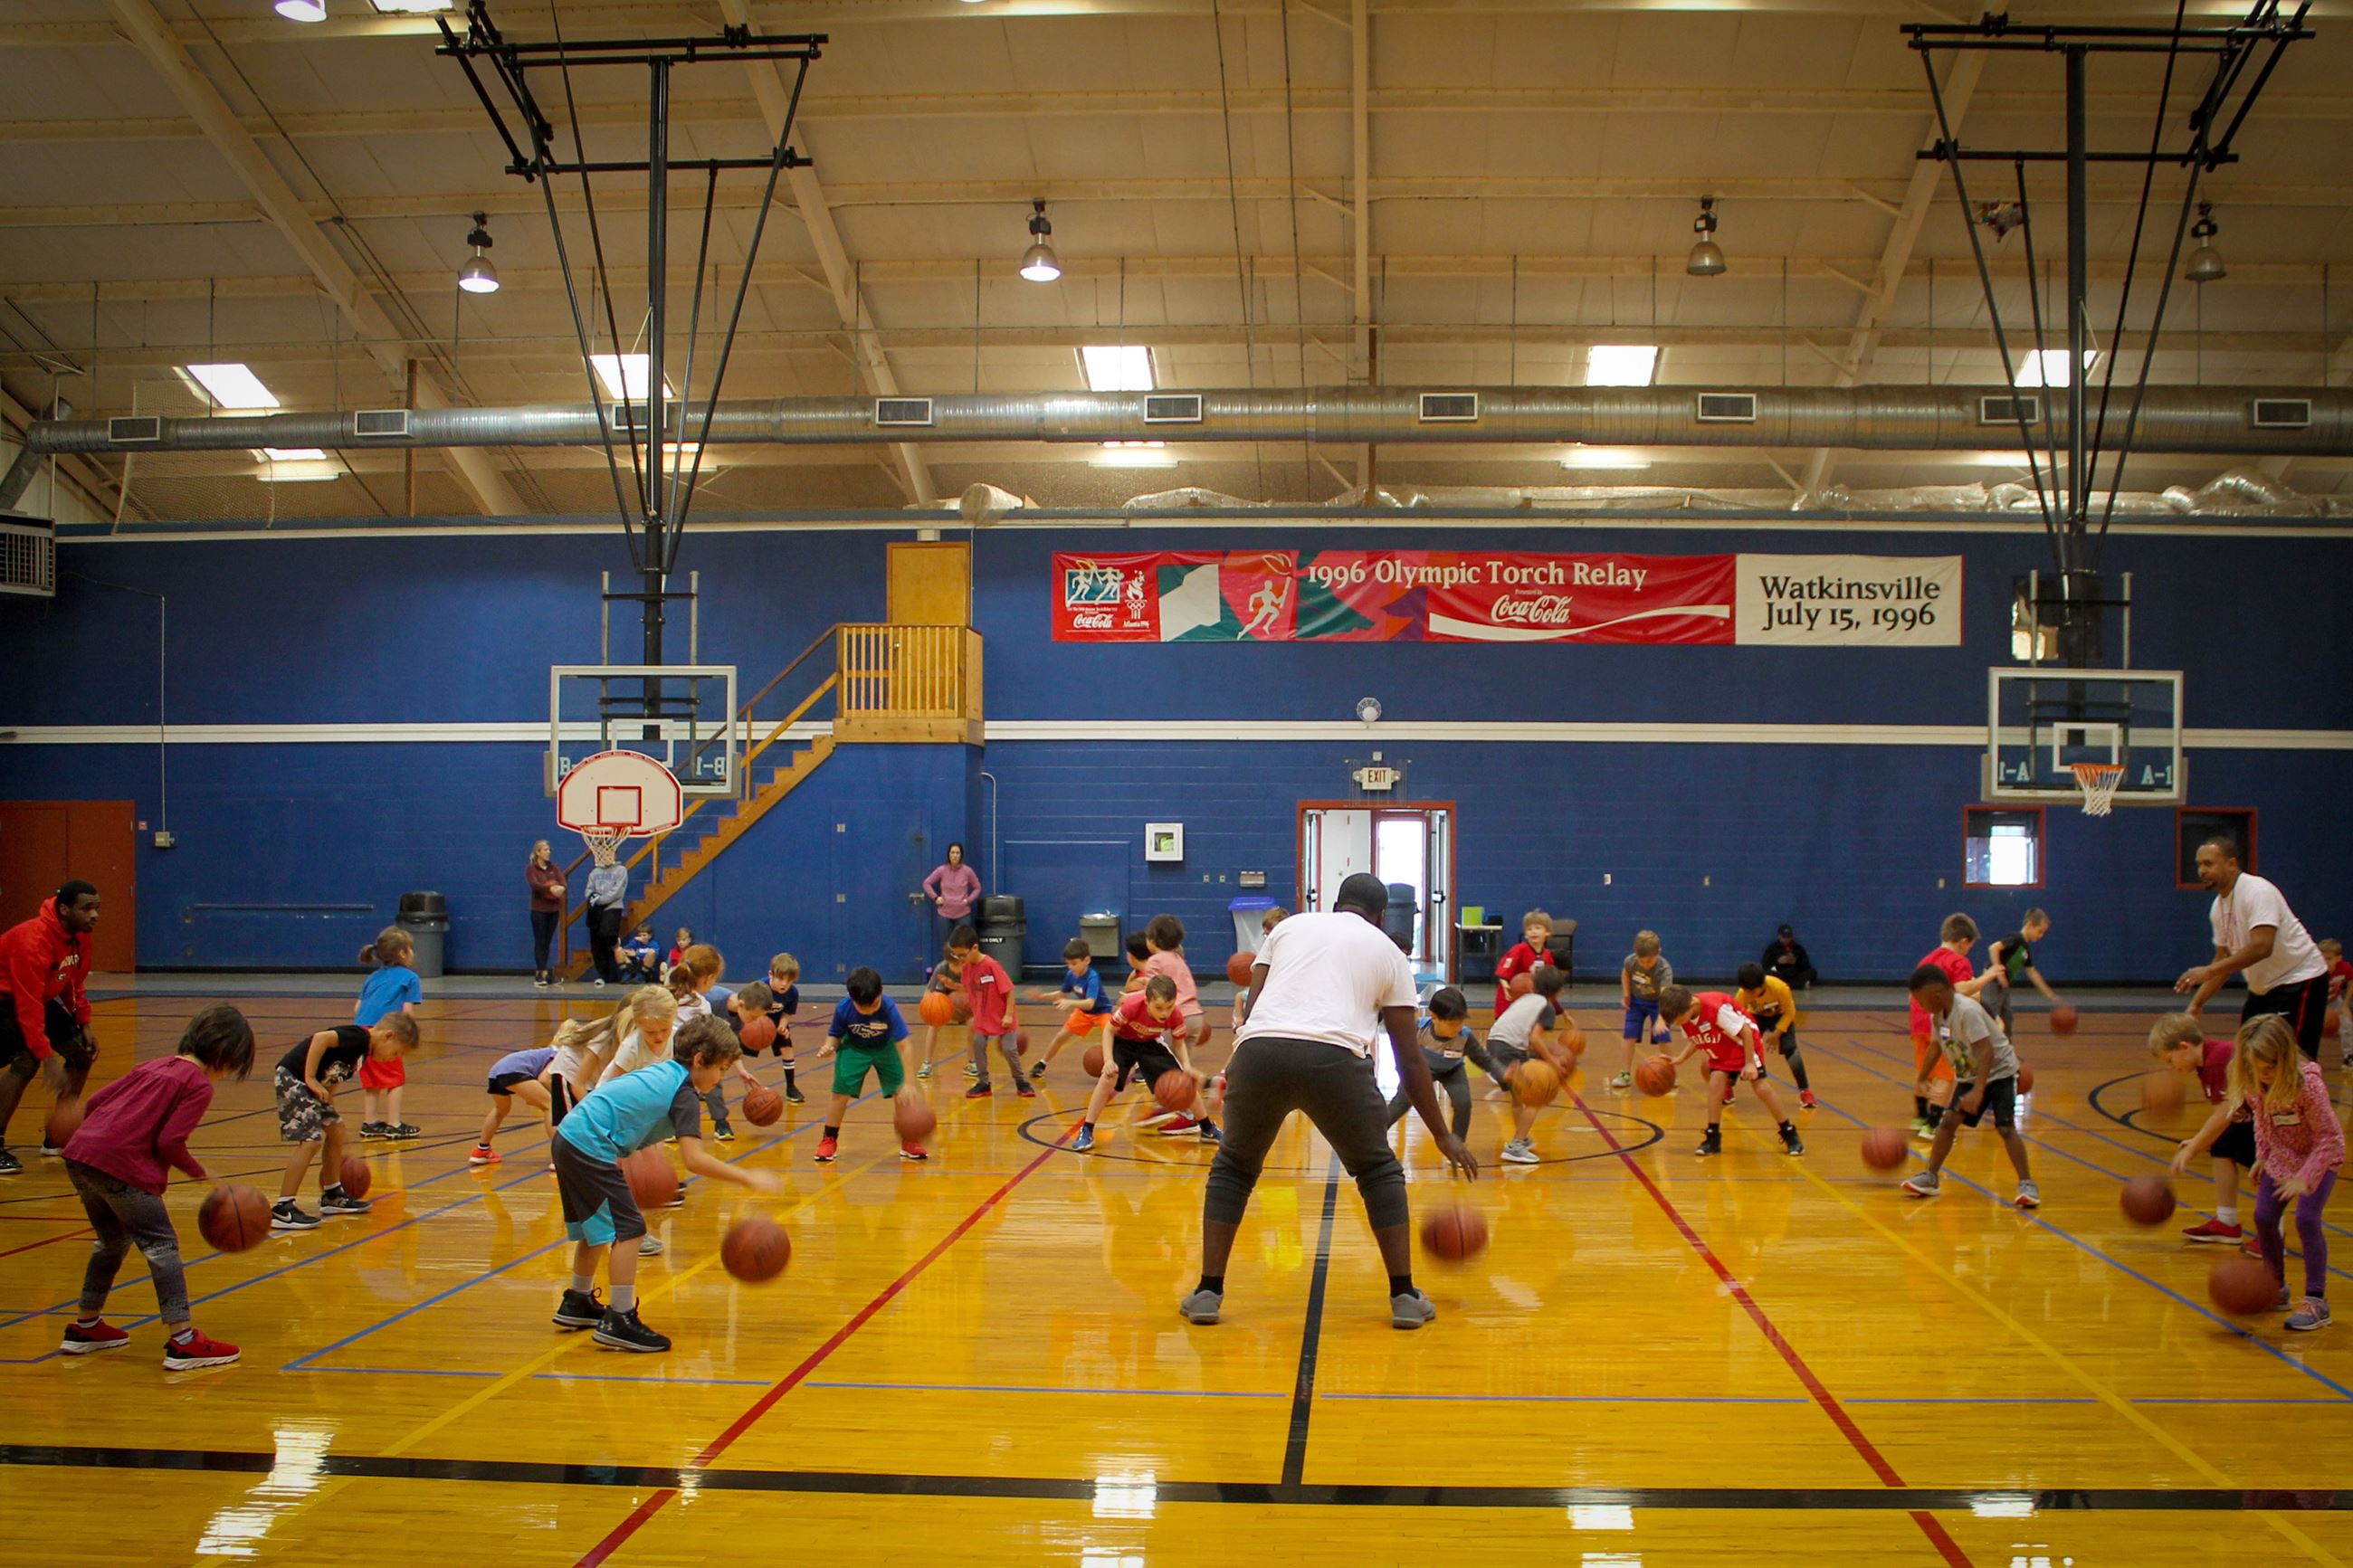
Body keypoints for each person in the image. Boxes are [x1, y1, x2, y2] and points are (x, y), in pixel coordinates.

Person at [1182, 871, 1478, 1331]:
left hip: (1259, 1051)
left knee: (1235, 1169)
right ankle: (1403, 1295)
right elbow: (1410, 1060)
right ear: (1381, 916)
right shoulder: (1387, 952)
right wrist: (1443, 1135)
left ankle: (1207, 1291)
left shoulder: (1288, 926)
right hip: (1335, 1058)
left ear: (1337, 903)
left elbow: (1255, 1007)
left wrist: (1240, 1064)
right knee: (1378, 1171)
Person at [550, 1015, 781, 1354]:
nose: (720, 1079)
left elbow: (626, 1115)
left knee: (592, 1229)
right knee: (629, 1230)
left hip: (570, 1138)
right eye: (720, 1069)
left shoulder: (664, 1073)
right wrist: (748, 1178)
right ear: (700, 1060)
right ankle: (620, 1318)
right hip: (589, 1145)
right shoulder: (683, 1092)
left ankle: (578, 1302)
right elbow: (695, 1160)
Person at [56, 1003, 254, 1370]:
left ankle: (85, 1326)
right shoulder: (196, 1083)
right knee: (162, 1245)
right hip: (119, 1166)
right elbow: (169, 1141)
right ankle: (182, 1340)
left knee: (111, 1241)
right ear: (227, 1055)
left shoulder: (153, 1065)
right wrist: (200, 1173)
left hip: (81, 1157)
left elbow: (97, 1101)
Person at [2176, 1015, 2342, 1331]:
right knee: (2264, 1216)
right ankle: (2276, 1286)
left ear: (2286, 1058)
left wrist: (2303, 1178)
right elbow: (2263, 1124)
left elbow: (2330, 1138)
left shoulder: (2309, 1086)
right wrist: (2263, 1157)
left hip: (2318, 1157)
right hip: (2283, 1156)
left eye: (2269, 1068)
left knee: (2306, 1219)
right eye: (2255, 1068)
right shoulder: (2253, 1082)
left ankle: (2317, 1300)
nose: (2263, 1075)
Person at [2177, 835, 2330, 1060]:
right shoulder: (2217, 909)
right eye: (2199, 864)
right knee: (2249, 1056)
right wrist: (2196, 1004)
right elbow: (2223, 961)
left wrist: (2208, 971)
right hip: (2263, 989)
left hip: (2299, 979)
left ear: (2231, 864)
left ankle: (2307, 1096)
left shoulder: (2257, 891)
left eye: (2208, 863)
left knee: (2294, 1061)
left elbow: (2262, 947)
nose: (2201, 870)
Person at [1897, 965, 2035, 1208]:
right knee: (1948, 1122)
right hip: (1970, 1076)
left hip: (1999, 1073)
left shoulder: (1967, 1011)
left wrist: (1979, 1091)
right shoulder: (1939, 1015)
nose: (1919, 1005)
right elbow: (1936, 1046)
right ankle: (1931, 1177)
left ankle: (2027, 1184)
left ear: (1937, 995)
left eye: (1920, 1000)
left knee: (2005, 1128)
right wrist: (1922, 1076)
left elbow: (1986, 1051)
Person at [271, 1012, 418, 1232]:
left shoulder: (362, 1054)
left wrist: (328, 1099)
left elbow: (334, 1072)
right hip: (294, 1077)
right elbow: (321, 1039)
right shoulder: (358, 1037)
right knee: (311, 1141)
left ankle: (332, 1195)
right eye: (396, 1053)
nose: (393, 1059)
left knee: (337, 1130)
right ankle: (283, 1208)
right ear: (388, 1036)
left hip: (312, 1085)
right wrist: (310, 1077)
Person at [0, 879, 101, 1175]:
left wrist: (83, 1022)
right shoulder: (33, 940)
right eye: (87, 909)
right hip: (6, 999)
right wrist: (47, 1058)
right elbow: (28, 1004)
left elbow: (74, 980)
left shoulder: (80, 934)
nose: (94, 915)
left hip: (34, 998)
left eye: (97, 908)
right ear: (64, 909)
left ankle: (58, 1136)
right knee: (27, 1058)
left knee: (83, 1053)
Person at [1072, 975, 1222, 1153]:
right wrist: (1109, 1061)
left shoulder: (1175, 1015)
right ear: (1146, 1001)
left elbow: (1179, 1043)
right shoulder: (1132, 1006)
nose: (1164, 1013)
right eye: (1158, 1007)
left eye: (1169, 1006)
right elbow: (1109, 1031)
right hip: (1123, 1041)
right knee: (1108, 1078)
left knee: (1184, 1081)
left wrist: (1187, 1066)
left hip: (1150, 1044)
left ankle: (1207, 1128)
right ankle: (1087, 1130)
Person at [1660, 984, 1804, 1159]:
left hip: (1745, 1042)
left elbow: (1745, 1032)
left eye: (1679, 1020)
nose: (1678, 1024)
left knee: (1762, 1089)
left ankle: (1789, 1132)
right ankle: (1713, 1137)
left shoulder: (1716, 1009)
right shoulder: (1683, 1012)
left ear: (1691, 1006)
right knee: (1715, 1084)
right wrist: (1681, 1058)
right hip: (1723, 1044)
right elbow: (1696, 1038)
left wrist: (1750, 1063)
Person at [2150, 1012, 2256, 1249]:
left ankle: (2274, 1236)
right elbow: (2226, 1114)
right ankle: (2227, 1223)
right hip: (2252, 1117)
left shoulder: (2218, 1061)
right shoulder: (2206, 1063)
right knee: (2222, 1146)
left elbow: (2225, 1112)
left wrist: (2195, 1147)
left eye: (2170, 1060)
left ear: (2184, 1047)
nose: (2172, 1067)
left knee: (2268, 1169)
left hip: (2275, 1118)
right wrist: (2201, 1140)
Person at [810, 966, 922, 1164]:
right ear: (853, 1000)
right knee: (840, 1092)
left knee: (902, 1093)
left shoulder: (888, 1008)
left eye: (875, 1004)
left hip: (885, 1047)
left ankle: (909, 1139)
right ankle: (829, 1139)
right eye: (865, 1008)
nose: (871, 1009)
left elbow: (905, 1046)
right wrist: (828, 1047)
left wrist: (910, 1083)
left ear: (881, 992)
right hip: (854, 1047)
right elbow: (834, 1036)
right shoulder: (843, 1009)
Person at [1910, 914, 1988, 1139]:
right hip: (1940, 1022)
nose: (1968, 951)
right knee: (1945, 1074)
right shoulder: (1958, 962)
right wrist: (1986, 978)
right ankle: (1933, 1124)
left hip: (1918, 1022)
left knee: (1924, 1070)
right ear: (1963, 941)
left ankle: (1920, 1116)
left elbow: (1911, 993)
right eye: (1969, 946)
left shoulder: (1926, 960)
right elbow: (1963, 989)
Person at [1486, 965, 1573, 1164]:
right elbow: (1535, 1038)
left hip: (1495, 1043)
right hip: (1508, 1048)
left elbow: (1523, 1035)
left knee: (1519, 1098)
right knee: (1535, 1096)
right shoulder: (1547, 1007)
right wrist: (1553, 1063)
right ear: (1559, 991)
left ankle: (1521, 1138)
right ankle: (1515, 1147)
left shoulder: (1526, 999)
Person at [1384, 987, 1491, 1146]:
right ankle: (1374, 1136)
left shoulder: (1465, 1037)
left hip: (1452, 1070)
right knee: (1401, 1103)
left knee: (1463, 1103)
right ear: (1434, 1018)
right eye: (1453, 1024)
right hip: (1422, 1070)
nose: (1459, 1027)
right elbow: (1402, 1049)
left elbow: (1484, 1059)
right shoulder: (1419, 1029)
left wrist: (1504, 1074)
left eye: (1461, 1022)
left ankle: (1458, 1145)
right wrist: (1402, 1068)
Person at [354, 926, 424, 1143]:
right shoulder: (410, 978)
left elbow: (357, 1009)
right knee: (395, 1081)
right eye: (411, 949)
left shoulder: (373, 977)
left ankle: (371, 1122)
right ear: (402, 953)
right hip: (386, 1035)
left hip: (362, 1033)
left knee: (371, 1082)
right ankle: (394, 1124)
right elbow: (407, 1013)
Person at [1142, 914, 1214, 1122]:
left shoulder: (1155, 961)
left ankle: (1184, 1110)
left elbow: (1151, 993)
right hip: (1195, 1018)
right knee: (1181, 1068)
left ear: (1152, 941)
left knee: (1161, 1064)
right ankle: (1172, 1104)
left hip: (1175, 1017)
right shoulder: (1178, 959)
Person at [953, 924, 1031, 1101]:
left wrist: (1009, 1014)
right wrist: (952, 992)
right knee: (978, 1045)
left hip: (1003, 1016)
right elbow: (968, 989)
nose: (960, 959)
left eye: (962, 955)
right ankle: (983, 1082)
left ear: (975, 947)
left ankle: (1021, 1081)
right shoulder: (967, 967)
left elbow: (1009, 990)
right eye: (956, 956)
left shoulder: (991, 965)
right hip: (982, 1017)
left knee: (1009, 1049)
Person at [1735, 961, 1814, 1111]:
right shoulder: (1743, 993)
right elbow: (1737, 1014)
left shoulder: (1779, 988)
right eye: (1745, 991)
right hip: (1756, 1017)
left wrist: (1777, 1033)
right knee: (1737, 1047)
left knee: (1791, 1050)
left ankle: (1805, 1090)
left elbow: (1790, 1013)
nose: (1748, 995)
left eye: (1751, 992)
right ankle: (1728, 1087)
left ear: (1762, 985)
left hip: (1780, 1017)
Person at [1033, 936, 1113, 1079]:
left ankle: (1138, 1068)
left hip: (1102, 1012)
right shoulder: (1071, 975)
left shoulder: (1092, 977)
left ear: (1086, 961)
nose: (1070, 967)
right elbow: (1062, 993)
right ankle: (1042, 1063)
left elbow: (1090, 1003)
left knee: (1118, 1040)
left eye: (1074, 963)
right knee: (1060, 1037)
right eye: (1068, 963)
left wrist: (1070, 1003)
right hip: (1083, 1013)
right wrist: (1042, 996)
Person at [469, 1045, 557, 1166]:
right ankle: (559, 1158)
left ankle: (482, 1150)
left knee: (501, 1109)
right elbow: (544, 1079)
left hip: (496, 1071)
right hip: (515, 1071)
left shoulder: (552, 1050)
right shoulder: (561, 1053)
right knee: (551, 1105)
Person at [1980, 911, 2062, 1036]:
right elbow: (1993, 948)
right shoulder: (2016, 939)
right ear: (2030, 925)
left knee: (2007, 1020)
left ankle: (2005, 1053)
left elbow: (2032, 972)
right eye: (2040, 931)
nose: (2041, 936)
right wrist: (1999, 972)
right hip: (1992, 984)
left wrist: (2051, 995)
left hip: (2003, 988)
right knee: (1990, 1020)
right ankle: (1984, 1052)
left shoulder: (2025, 950)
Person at [1612, 929, 1672, 1091]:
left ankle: (1670, 1072)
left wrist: (1661, 1017)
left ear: (1658, 952)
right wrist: (1627, 995)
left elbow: (1666, 995)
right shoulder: (1630, 961)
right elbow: (1625, 974)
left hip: (1658, 1003)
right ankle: (1624, 1073)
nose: (1646, 964)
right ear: (1635, 954)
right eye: (1642, 961)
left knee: (1663, 1036)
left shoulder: (1664, 969)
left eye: (1650, 961)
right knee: (1629, 1035)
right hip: (1637, 1002)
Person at [1492, 909, 1565, 1020]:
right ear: (1526, 934)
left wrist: (1560, 1010)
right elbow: (1505, 967)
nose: (1533, 932)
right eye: (1529, 929)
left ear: (1547, 932)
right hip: (1511, 997)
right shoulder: (1519, 950)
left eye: (1538, 928)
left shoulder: (1547, 955)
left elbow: (1549, 982)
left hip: (1531, 999)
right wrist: (1504, 983)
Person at [919, 938, 967, 1082]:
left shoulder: (971, 969)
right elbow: (928, 993)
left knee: (974, 1024)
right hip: (945, 1004)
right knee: (933, 1025)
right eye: (954, 964)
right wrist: (928, 1008)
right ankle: (926, 1063)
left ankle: (972, 1063)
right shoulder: (942, 968)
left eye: (960, 964)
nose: (957, 968)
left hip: (967, 1002)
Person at [921, 841, 982, 943]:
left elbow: (977, 888)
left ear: (961, 855)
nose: (955, 856)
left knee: (962, 944)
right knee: (947, 945)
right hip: (944, 914)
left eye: (957, 853)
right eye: (952, 852)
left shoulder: (967, 871)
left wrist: (968, 901)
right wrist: (935, 897)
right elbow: (926, 883)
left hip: (963, 915)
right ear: (948, 854)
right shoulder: (941, 870)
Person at [583, 857, 630, 987]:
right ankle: (604, 975)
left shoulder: (621, 870)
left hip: (613, 906)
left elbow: (617, 891)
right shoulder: (595, 872)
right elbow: (588, 890)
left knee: (607, 933)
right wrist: (594, 897)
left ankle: (616, 942)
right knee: (597, 943)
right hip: (596, 909)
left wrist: (602, 899)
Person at [766, 953, 805, 1104]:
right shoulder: (760, 988)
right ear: (771, 975)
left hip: (776, 1023)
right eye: (780, 979)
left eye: (789, 981)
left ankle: (791, 1087)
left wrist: (783, 1025)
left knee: (787, 1048)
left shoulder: (792, 992)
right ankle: (710, 1086)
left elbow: (787, 1012)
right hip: (755, 1024)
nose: (784, 984)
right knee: (733, 1052)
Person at [527, 841, 565, 988]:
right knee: (540, 941)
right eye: (545, 849)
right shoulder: (531, 869)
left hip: (553, 910)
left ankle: (543, 971)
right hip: (539, 910)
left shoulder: (554, 868)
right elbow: (535, 885)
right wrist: (549, 889)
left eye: (549, 849)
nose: (548, 852)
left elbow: (563, 882)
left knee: (547, 942)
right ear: (538, 852)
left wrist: (560, 889)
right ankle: (541, 973)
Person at [1762, 925, 1816, 990]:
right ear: (1779, 936)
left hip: (1794, 972)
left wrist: (1796, 962)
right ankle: (1795, 985)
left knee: (1812, 972)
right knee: (1767, 974)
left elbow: (1806, 965)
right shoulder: (1772, 948)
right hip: (1779, 972)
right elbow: (1764, 965)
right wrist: (1777, 961)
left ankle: (1784, 985)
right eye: (1784, 937)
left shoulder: (1798, 948)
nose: (1786, 939)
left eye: (1788, 937)